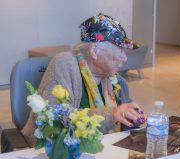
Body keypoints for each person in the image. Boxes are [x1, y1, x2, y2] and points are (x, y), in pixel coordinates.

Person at [22, 13, 146, 147]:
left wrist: (131, 114)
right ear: (94, 50)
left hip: (99, 148)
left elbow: (123, 107)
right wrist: (111, 115)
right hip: (54, 150)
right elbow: (55, 119)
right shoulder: (64, 63)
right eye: (120, 50)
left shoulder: (115, 79)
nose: (124, 58)